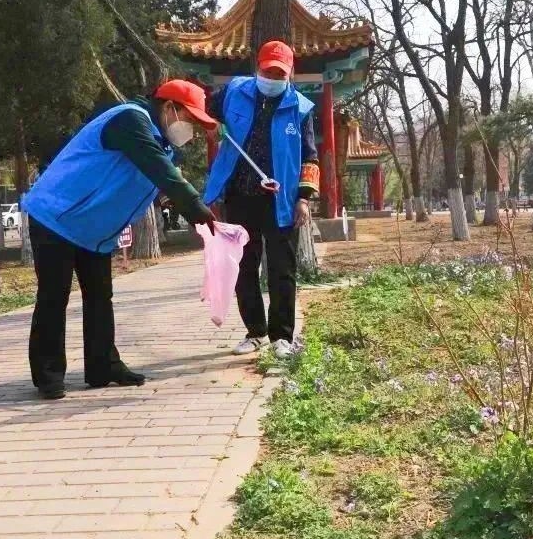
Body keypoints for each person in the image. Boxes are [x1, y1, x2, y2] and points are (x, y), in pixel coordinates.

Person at [21, 80, 219, 400]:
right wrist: (196, 208)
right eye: (189, 119)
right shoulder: (130, 120)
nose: (191, 130)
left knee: (100, 296)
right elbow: (159, 170)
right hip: (56, 216)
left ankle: (103, 366)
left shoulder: (160, 144)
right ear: (169, 108)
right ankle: (48, 374)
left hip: (92, 230)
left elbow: (151, 182)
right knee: (54, 295)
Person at [203, 40, 320, 359]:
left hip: (282, 201)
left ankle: (281, 336)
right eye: (268, 70)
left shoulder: (302, 109)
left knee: (283, 269)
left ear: (290, 73)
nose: (273, 76)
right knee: (243, 266)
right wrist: (210, 124)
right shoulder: (233, 92)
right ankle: (255, 331)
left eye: (279, 72)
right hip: (240, 196)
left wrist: (304, 198)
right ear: (257, 67)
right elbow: (202, 109)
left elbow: (311, 157)